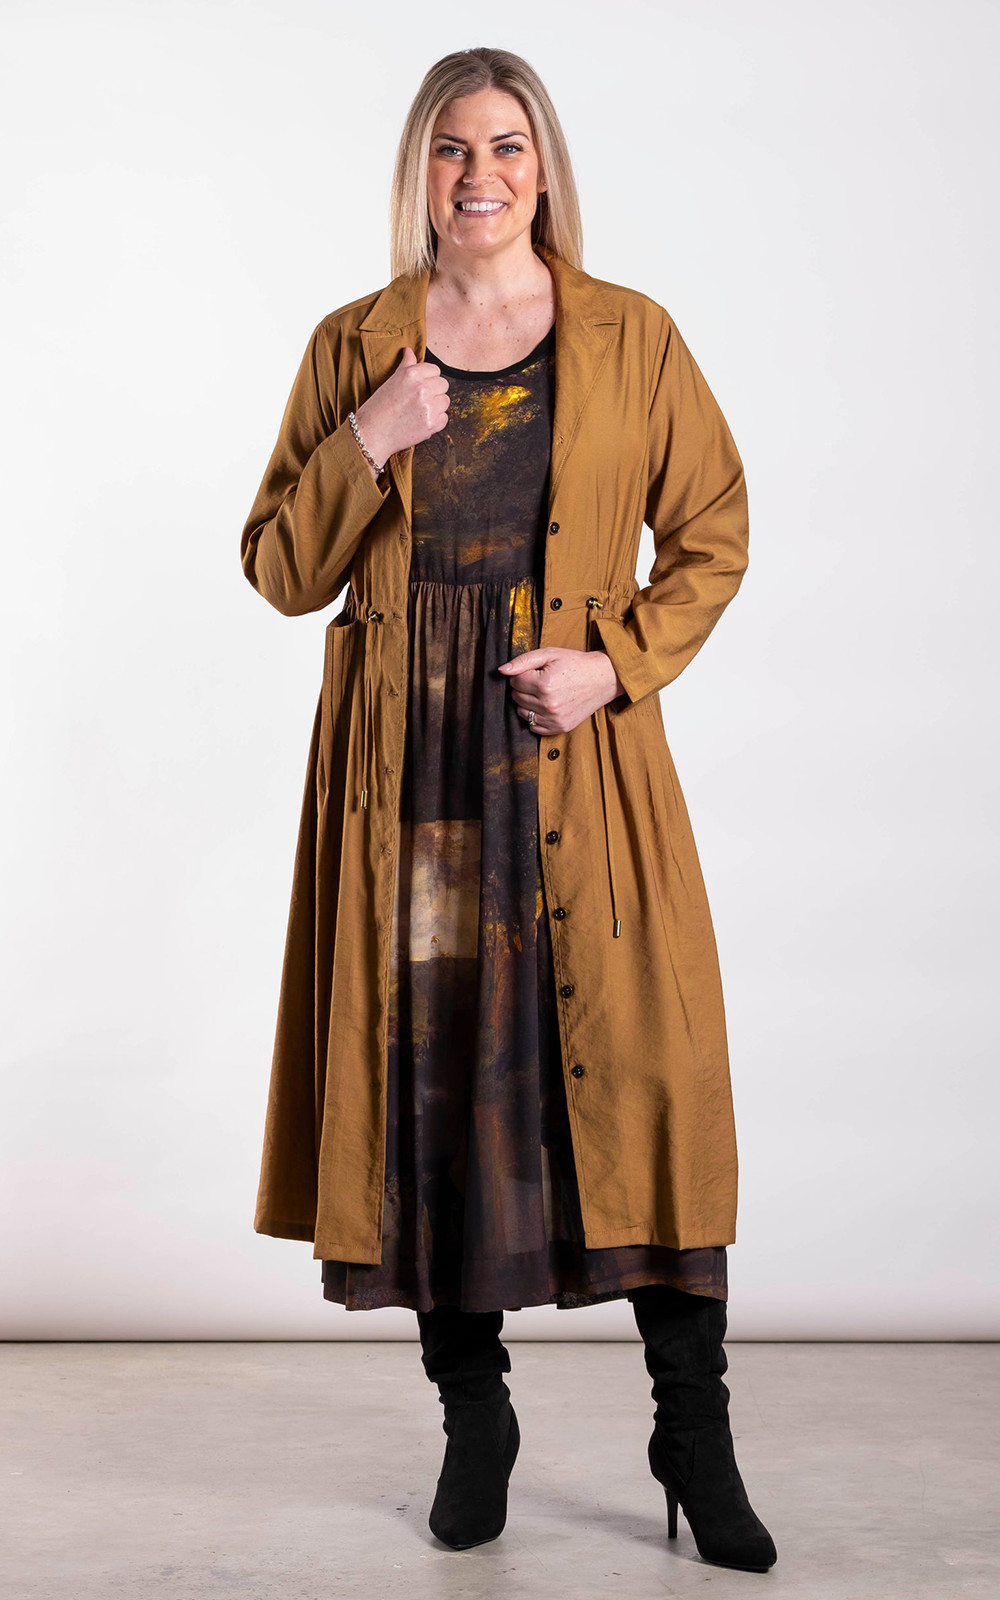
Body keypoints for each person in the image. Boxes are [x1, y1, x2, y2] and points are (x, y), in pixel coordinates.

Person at [240, 45, 776, 1575]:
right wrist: (369, 439)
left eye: (508, 146)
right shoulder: (356, 347)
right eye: (452, 148)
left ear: (545, 168)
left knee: (647, 1080)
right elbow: (279, 567)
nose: (481, 175)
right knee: (437, 1094)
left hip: (578, 771)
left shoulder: (631, 336)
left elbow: (714, 531)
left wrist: (614, 667)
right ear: (419, 170)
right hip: (411, 788)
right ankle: (474, 1418)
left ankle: (694, 1434)